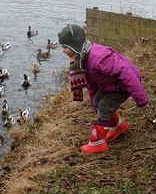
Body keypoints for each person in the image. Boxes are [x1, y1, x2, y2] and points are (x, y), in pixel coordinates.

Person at [58, 24, 149, 154]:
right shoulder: (83, 59)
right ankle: (118, 126)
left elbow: (126, 72)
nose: (63, 50)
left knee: (105, 106)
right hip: (110, 84)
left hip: (124, 84)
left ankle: (98, 143)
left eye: (65, 47)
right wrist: (94, 101)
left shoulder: (99, 58)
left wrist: (141, 98)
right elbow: (91, 83)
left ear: (75, 46)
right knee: (98, 102)